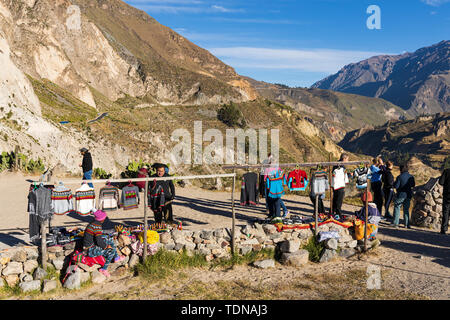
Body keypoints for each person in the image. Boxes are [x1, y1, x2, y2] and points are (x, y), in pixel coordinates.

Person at [83, 210, 125, 278]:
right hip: (89, 250)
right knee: (111, 251)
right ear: (102, 219)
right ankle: (103, 269)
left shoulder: (93, 224)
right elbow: (99, 242)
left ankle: (116, 257)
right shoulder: (97, 226)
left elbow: (98, 236)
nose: (105, 218)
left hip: (92, 245)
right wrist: (106, 246)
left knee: (110, 239)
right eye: (104, 217)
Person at [392, 164, 415, 228]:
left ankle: (396, 223)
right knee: (406, 209)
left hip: (401, 195)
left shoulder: (399, 177)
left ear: (401, 169)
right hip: (408, 195)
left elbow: (396, 186)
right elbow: (413, 185)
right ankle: (406, 224)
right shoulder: (411, 177)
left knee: (397, 207)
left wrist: (394, 184)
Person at [331, 153, 350, 219]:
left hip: (335, 185)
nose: (347, 161)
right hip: (340, 185)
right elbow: (341, 175)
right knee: (339, 200)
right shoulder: (340, 166)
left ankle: (333, 211)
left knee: (335, 198)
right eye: (347, 159)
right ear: (344, 159)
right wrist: (348, 176)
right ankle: (338, 213)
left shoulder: (337, 165)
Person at [438, 167, 450, 235]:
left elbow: (441, 182)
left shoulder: (446, 171)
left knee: (446, 212)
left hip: (447, 195)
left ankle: (443, 229)